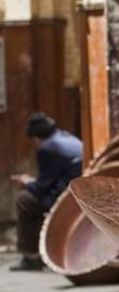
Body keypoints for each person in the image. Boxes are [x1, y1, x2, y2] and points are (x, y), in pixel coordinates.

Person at [9, 112, 83, 271]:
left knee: (24, 200)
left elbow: (41, 188)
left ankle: (31, 256)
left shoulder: (48, 148)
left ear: (36, 137)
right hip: (76, 192)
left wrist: (26, 182)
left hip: (66, 198)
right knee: (32, 201)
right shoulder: (68, 138)